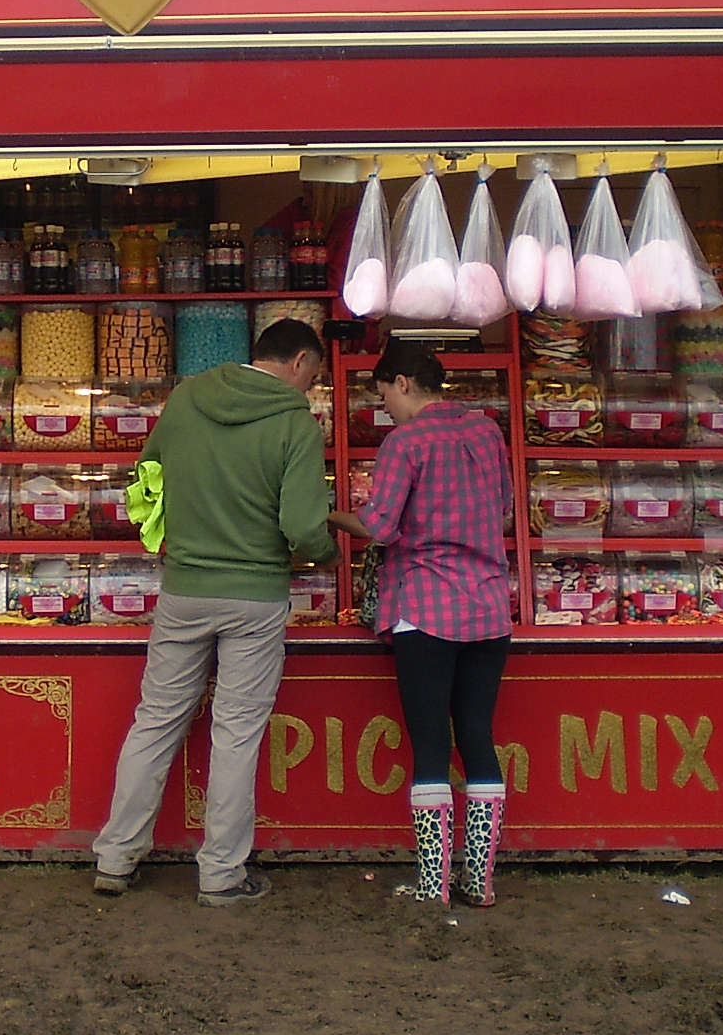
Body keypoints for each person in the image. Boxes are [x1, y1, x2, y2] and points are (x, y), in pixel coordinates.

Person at [92, 318, 337, 907]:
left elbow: (147, 478)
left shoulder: (186, 399)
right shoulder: (295, 423)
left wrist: (175, 536)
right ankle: (222, 873)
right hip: (255, 596)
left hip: (185, 588)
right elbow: (303, 527)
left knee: (156, 720)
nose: (310, 387)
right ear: (300, 362)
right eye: (314, 376)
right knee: (236, 731)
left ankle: (116, 856)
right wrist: (326, 551)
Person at [329, 337, 514, 908]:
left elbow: (379, 526)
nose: (385, 406)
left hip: (426, 609)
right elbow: (505, 507)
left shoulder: (405, 443)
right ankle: (479, 882)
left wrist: (329, 515)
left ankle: (433, 886)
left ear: (403, 383)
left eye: (384, 394)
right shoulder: (487, 432)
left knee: (432, 744)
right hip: (489, 609)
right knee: (478, 737)